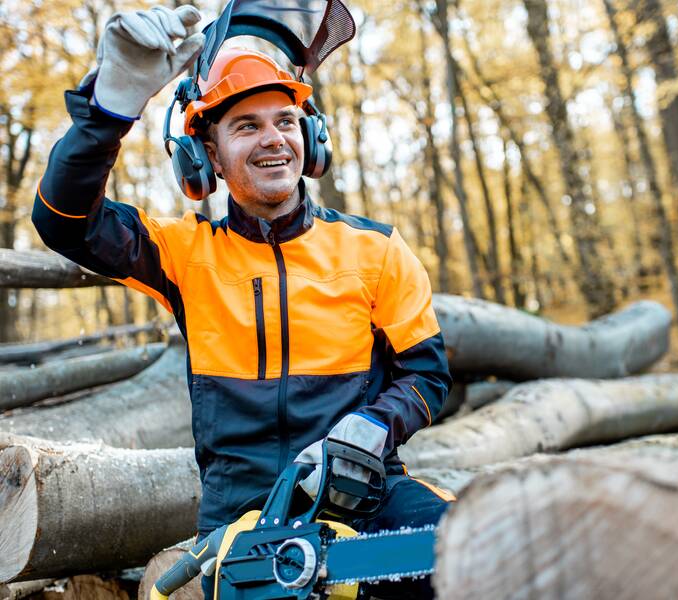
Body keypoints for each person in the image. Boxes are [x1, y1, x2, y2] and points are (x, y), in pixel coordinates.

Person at [31, 5, 453, 599]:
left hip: (365, 492)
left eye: (285, 120)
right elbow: (63, 221)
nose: (273, 138)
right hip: (243, 517)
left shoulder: (375, 249)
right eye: (246, 125)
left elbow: (427, 374)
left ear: (310, 136)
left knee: (473, 553)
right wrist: (110, 109)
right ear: (206, 156)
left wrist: (373, 427)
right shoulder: (184, 252)